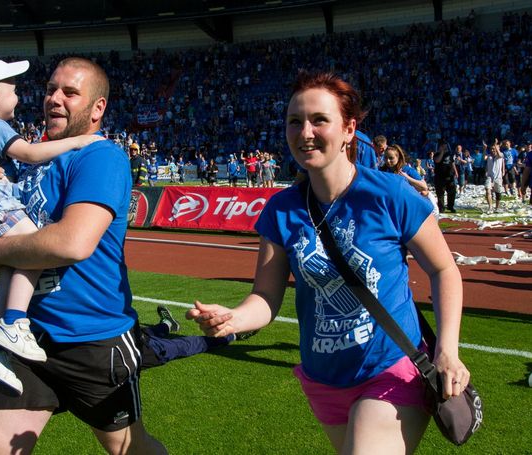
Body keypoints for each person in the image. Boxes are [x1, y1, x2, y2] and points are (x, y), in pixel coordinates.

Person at [188, 71, 469, 454]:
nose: (305, 132)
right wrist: (233, 318)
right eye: (294, 121)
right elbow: (266, 298)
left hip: (389, 369)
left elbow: (443, 269)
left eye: (319, 120)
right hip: (323, 380)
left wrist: (447, 350)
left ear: (349, 130)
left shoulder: (389, 194)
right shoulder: (281, 210)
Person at [0, 57, 167, 454]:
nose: (55, 99)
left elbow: (71, 243)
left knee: (130, 449)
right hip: (27, 336)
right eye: (51, 89)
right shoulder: (29, 159)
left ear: (97, 108)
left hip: (93, 339)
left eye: (70, 92)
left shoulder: (100, 156)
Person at [0, 53, 103, 393]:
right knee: (34, 249)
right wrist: (82, 140)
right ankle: (15, 323)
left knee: (6, 275)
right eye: (13, 89)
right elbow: (31, 154)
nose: (21, 95)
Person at [141, 305, 256, 369]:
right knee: (185, 344)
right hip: (138, 352)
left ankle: (168, 324)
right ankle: (233, 335)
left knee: (143, 332)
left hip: (131, 337)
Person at [433, 139, 458, 213]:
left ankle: (450, 206)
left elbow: (452, 163)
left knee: (452, 192)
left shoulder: (450, 154)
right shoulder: (436, 154)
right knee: (440, 193)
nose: (445, 147)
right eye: (443, 146)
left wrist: (456, 171)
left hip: (449, 176)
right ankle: (441, 207)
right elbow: (437, 160)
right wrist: (442, 152)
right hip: (440, 176)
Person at [484, 140, 505, 213]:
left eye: (494, 149)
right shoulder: (489, 156)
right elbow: (484, 157)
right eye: (491, 149)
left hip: (498, 177)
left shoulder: (501, 155)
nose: (492, 150)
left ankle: (497, 207)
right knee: (487, 189)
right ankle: (490, 207)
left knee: (498, 193)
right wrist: (484, 149)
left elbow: (499, 154)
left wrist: (496, 144)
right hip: (490, 176)